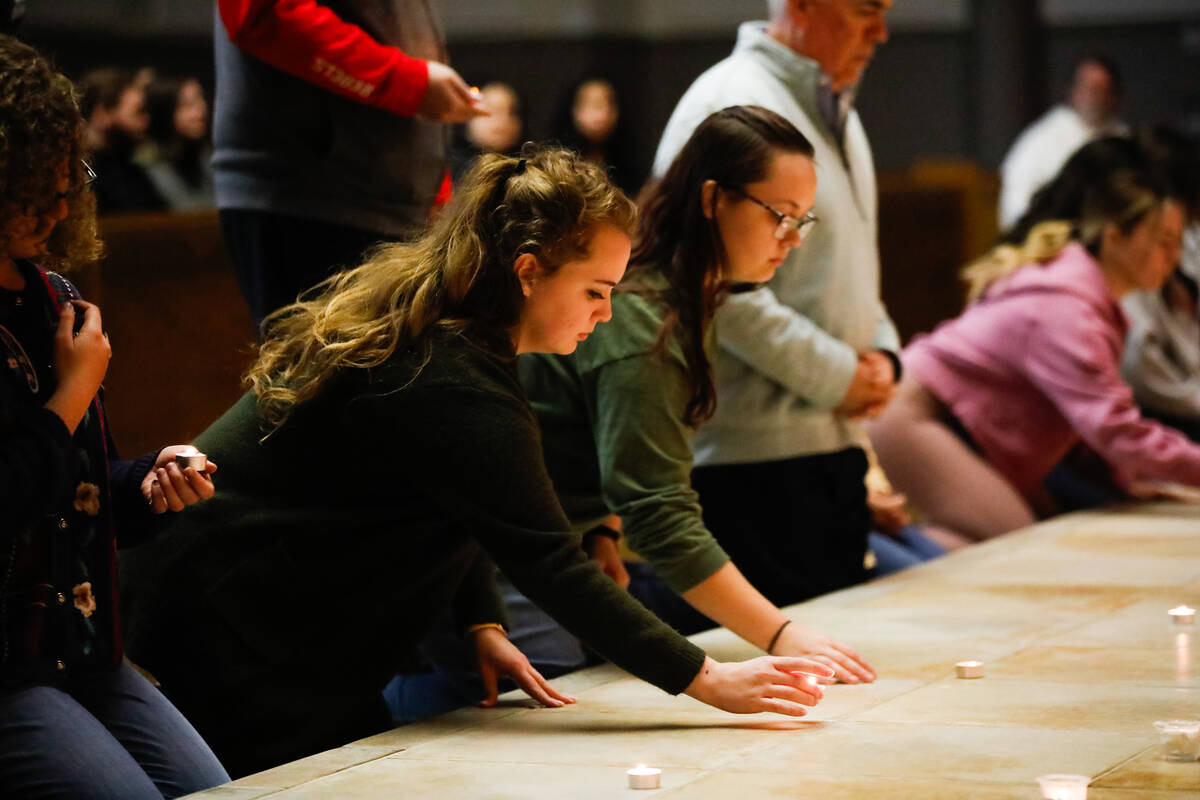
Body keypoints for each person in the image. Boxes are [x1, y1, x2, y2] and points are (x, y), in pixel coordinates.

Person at [119, 146, 834, 779]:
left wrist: (479, 621)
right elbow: (549, 561)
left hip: (269, 624)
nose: (604, 314)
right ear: (528, 272)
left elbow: (451, 495)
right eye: (594, 291)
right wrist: (709, 678)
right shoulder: (452, 375)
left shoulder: (462, 342)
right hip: (229, 625)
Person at [0, 35, 228, 798]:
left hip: (85, 644)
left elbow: (77, 492)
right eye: (37, 190)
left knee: (215, 790)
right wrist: (71, 392)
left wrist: (147, 485)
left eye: (69, 182)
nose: (63, 206)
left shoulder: (54, 297)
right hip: (8, 665)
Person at [651, 0, 904, 606]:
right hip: (752, 455)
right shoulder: (728, 97)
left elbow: (852, 261)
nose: (882, 31)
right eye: (865, 9)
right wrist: (839, 374)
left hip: (828, 441)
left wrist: (886, 356)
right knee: (783, 679)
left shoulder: (835, 105)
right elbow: (700, 275)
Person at [869, 137, 1200, 543]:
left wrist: (1122, 480)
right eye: (1163, 241)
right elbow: (1113, 427)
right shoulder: (1066, 307)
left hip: (955, 425)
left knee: (1016, 539)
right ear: (1115, 238)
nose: (1174, 257)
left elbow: (1085, 433)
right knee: (1013, 544)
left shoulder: (1084, 297)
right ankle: (869, 556)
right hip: (917, 415)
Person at [214, 0, 487, 325]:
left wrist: (433, 190)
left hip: (383, 201)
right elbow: (260, 14)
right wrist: (406, 84)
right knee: (323, 371)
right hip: (311, 197)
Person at [998, 54, 1129, 229]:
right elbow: (1016, 198)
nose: (1093, 98)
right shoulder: (1043, 136)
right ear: (1073, 90)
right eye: (1088, 88)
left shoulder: (1122, 139)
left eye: (1100, 90)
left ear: (1113, 95)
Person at [78, 66, 167, 214]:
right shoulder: (82, 176)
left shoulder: (132, 169)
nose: (146, 122)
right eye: (139, 112)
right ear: (102, 113)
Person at [137, 76, 215, 211]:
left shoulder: (206, 155)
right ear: (164, 113)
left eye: (200, 99)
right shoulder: (146, 167)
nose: (201, 111)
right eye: (186, 105)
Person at [552, 77, 640, 194]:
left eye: (608, 103)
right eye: (591, 104)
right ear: (572, 110)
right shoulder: (554, 165)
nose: (602, 114)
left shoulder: (630, 168)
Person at [448, 81, 524, 183]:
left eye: (512, 112)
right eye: (492, 109)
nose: (503, 119)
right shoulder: (446, 168)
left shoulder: (526, 171)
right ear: (468, 115)